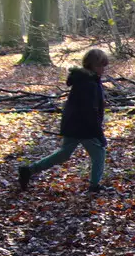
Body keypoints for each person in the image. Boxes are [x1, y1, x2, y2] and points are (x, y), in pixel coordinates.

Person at [18, 47, 110, 193]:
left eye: (103, 66)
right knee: (99, 153)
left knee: (64, 154)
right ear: (91, 65)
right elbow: (89, 111)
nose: (102, 69)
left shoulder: (85, 80)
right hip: (84, 126)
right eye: (100, 66)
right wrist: (99, 133)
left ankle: (29, 170)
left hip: (72, 123)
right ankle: (94, 186)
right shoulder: (89, 83)